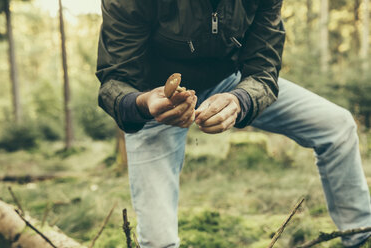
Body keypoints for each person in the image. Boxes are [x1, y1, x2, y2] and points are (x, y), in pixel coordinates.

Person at [95, 0, 371, 247]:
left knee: (337, 125)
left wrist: (241, 99)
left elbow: (264, 69)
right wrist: (144, 104)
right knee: (157, 240)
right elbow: (114, 80)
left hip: (232, 82)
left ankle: (360, 235)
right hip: (155, 101)